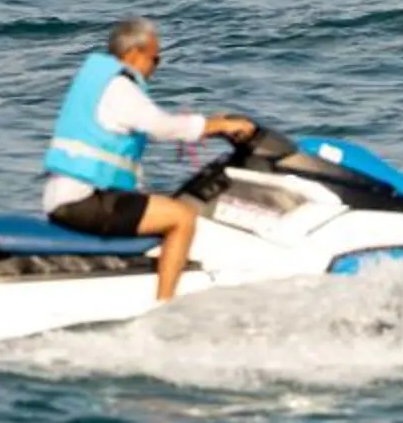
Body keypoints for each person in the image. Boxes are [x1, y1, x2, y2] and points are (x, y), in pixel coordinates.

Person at [41, 17, 254, 304]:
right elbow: (159, 126)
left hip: (70, 195)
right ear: (133, 54)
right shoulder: (119, 88)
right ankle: (165, 305)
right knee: (182, 217)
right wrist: (217, 125)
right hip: (85, 200)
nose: (156, 67)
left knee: (159, 203)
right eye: (156, 59)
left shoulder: (97, 83)